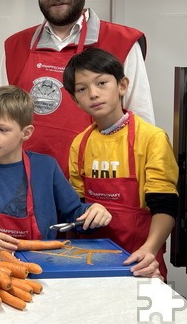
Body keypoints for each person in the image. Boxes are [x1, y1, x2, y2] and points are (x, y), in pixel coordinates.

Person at [0, 0, 155, 177]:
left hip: (99, 182)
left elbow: (142, 122)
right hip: (29, 181)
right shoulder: (15, 46)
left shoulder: (121, 42)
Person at [63, 48, 178, 280]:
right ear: (76, 100)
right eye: (82, 89)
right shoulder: (80, 144)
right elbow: (78, 205)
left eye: (102, 83)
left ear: (122, 86)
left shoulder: (151, 138)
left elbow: (165, 205)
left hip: (141, 261)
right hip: (92, 260)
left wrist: (149, 250)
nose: (93, 94)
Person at [0, 85, 111, 254]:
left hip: (44, 259)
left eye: (2, 129)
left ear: (26, 133)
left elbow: (73, 213)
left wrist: (93, 211)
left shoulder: (46, 167)